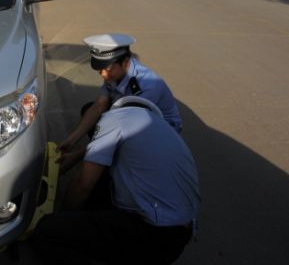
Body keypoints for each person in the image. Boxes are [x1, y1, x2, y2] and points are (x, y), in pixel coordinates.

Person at [33, 96, 200, 265]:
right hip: (177, 239)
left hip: (150, 234)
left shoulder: (115, 118)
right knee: (103, 183)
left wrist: (63, 219)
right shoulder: (163, 130)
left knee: (47, 232)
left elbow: (82, 185)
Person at [58, 33, 182, 163]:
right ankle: (102, 157)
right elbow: (99, 106)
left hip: (160, 131)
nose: (104, 75)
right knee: (89, 109)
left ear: (125, 62)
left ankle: (108, 165)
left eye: (108, 69)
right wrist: (71, 141)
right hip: (129, 117)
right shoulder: (114, 74)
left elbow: (124, 130)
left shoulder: (147, 86)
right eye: (100, 70)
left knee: (124, 146)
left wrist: (77, 157)